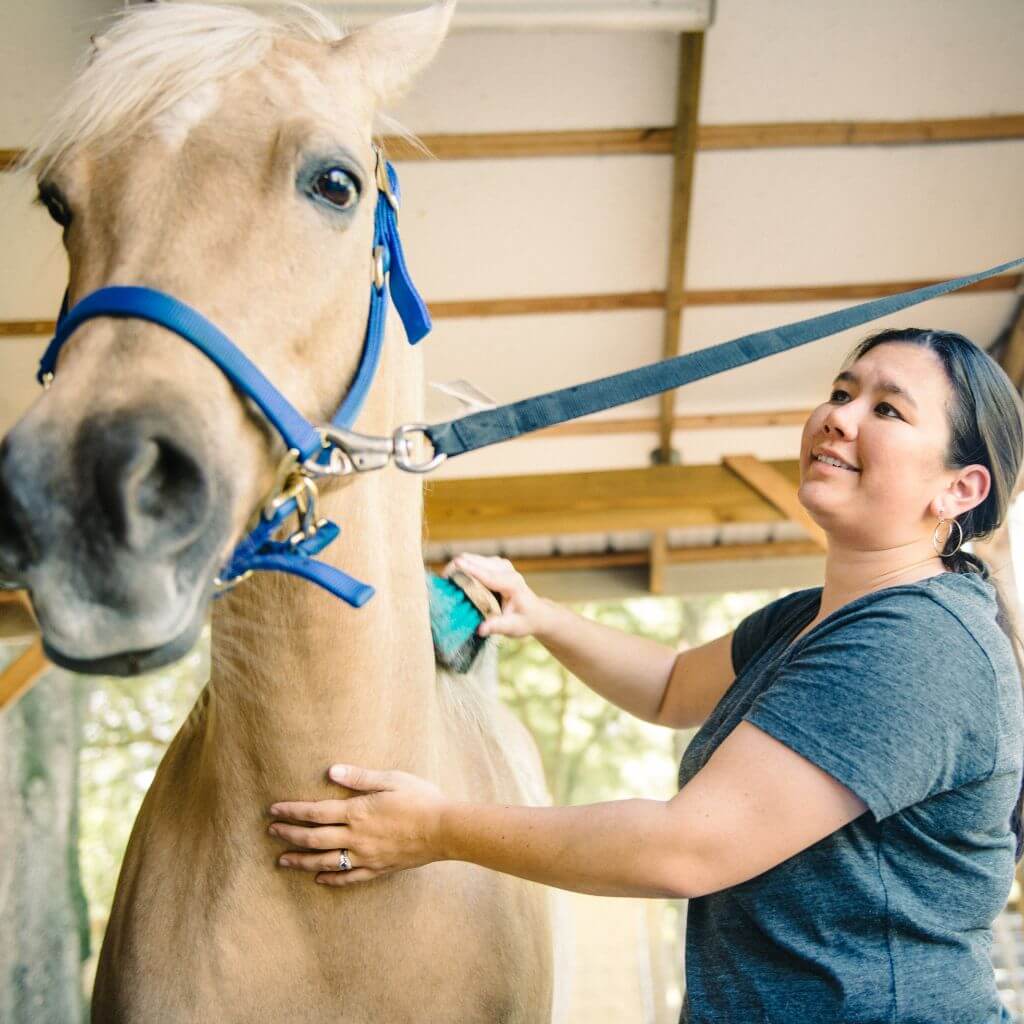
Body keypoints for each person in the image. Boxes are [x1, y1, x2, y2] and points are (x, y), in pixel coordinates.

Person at [268, 328, 1024, 1023]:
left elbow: (682, 850)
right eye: (840, 391)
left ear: (961, 489)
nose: (840, 415)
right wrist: (544, 617)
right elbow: (670, 686)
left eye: (887, 409)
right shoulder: (810, 619)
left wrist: (432, 828)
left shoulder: (919, 645)